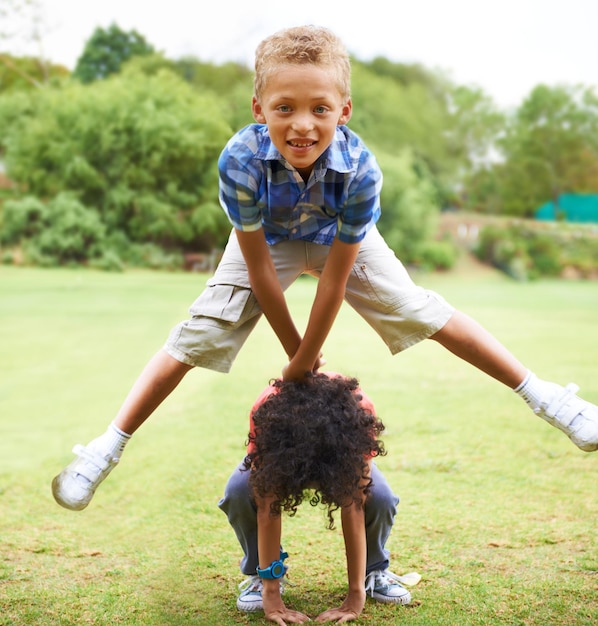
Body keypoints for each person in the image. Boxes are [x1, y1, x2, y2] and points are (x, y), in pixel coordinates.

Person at [52, 24, 598, 512]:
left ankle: (546, 397)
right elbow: (262, 273)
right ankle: (107, 447)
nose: (302, 125)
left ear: (344, 111)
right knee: (202, 330)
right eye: (284, 108)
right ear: (258, 109)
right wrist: (300, 360)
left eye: (320, 108)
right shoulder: (239, 160)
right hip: (269, 241)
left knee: (415, 307)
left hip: (338, 239)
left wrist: (303, 361)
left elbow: (334, 280)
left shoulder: (361, 170)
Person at [219, 372, 418, 624]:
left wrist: (355, 597)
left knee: (380, 498)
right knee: (239, 491)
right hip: (284, 454)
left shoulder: (356, 412)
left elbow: (353, 504)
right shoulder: (270, 411)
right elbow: (268, 504)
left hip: (339, 456)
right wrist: (271, 597)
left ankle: (373, 570)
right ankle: (262, 575)